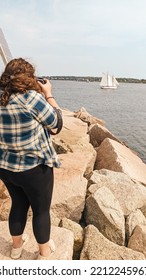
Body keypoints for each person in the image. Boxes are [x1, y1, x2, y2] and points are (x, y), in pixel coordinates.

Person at [0, 58, 63, 260]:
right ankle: (44, 251)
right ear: (28, 78)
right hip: (34, 169)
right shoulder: (31, 98)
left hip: (5, 166)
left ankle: (16, 248)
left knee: (18, 204)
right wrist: (49, 94)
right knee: (41, 210)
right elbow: (56, 124)